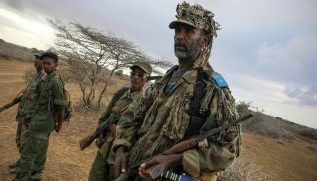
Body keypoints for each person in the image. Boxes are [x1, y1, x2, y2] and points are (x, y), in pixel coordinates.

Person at [112, 2, 241, 180]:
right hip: (133, 171)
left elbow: (228, 150)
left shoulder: (212, 89)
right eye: (177, 31)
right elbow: (132, 115)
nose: (180, 37)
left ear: (204, 40)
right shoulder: (165, 79)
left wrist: (177, 158)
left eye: (189, 32)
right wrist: (121, 147)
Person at [87, 61, 152, 181]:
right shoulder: (121, 93)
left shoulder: (146, 101)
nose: (136, 77)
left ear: (146, 79)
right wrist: (100, 135)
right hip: (105, 147)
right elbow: (105, 117)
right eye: (133, 74)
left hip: (121, 154)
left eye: (140, 75)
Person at [14, 52, 66, 181]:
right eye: (44, 63)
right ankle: (35, 175)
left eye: (49, 63)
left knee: (27, 154)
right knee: (40, 151)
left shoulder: (54, 81)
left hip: (42, 124)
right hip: (40, 121)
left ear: (56, 65)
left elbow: (60, 106)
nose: (46, 66)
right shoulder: (47, 78)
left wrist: (60, 124)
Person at [8, 54, 45, 174]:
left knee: (26, 145)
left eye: (38, 60)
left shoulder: (44, 79)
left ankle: (25, 168)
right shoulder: (37, 76)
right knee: (19, 140)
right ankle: (21, 162)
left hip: (30, 119)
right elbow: (30, 96)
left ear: (43, 63)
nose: (35, 62)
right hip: (24, 116)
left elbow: (43, 102)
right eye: (35, 59)